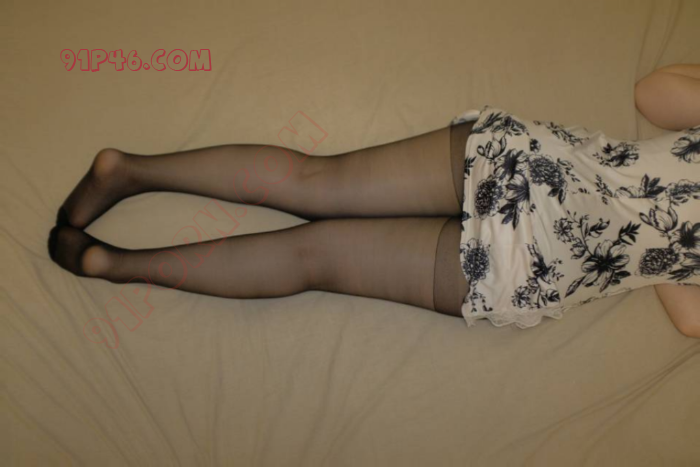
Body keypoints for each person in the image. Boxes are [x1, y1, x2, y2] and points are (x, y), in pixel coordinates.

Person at [48, 64, 700, 336]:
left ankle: (130, 171)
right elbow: (690, 319)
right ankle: (114, 264)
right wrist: (660, 259)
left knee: (317, 182)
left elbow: (654, 93)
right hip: (536, 265)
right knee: (314, 257)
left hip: (533, 168)